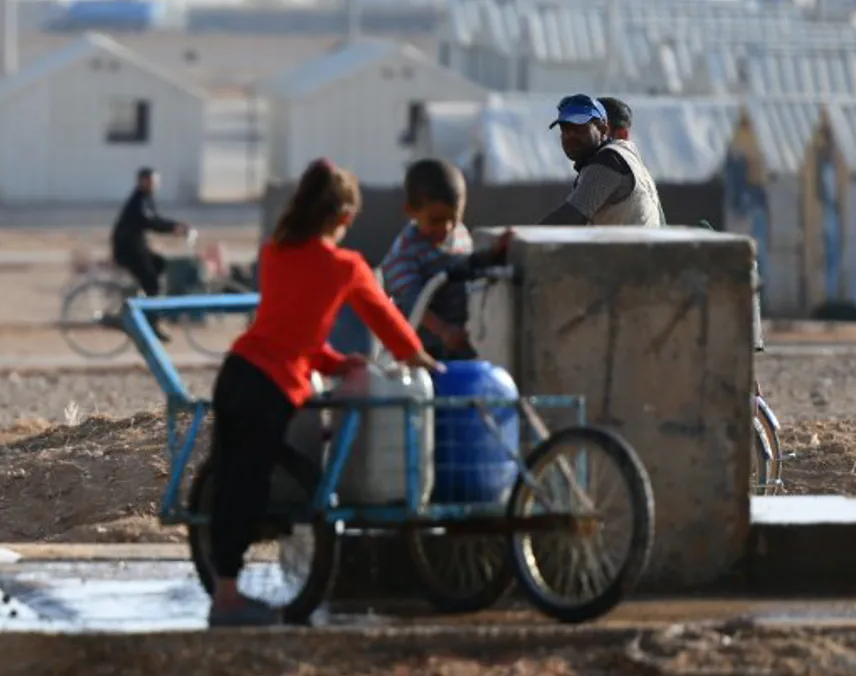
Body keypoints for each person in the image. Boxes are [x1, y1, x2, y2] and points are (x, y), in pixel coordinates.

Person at [205, 159, 438, 627]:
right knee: (248, 486)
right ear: (344, 217)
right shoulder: (345, 266)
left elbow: (291, 330)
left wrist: (333, 362)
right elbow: (386, 323)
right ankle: (227, 601)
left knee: (231, 481)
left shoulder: (275, 252)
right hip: (268, 386)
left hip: (236, 373)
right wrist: (421, 359)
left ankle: (224, 589)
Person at [328, 159, 514, 361]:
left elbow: (465, 264)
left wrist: (492, 254)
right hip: (422, 349)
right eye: (436, 220)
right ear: (410, 211)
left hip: (459, 340)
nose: (446, 227)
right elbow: (414, 303)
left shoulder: (457, 235)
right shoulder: (405, 255)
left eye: (454, 218)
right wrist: (444, 331)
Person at [537, 94, 662, 227]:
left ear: (603, 130)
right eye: (565, 129)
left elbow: (570, 217)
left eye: (579, 128)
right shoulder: (629, 156)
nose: (570, 136)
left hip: (631, 247)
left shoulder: (609, 160)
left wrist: (522, 238)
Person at [111, 167, 190, 340]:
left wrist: (175, 226)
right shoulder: (138, 201)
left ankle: (143, 303)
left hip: (136, 247)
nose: (155, 184)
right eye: (151, 181)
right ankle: (152, 321)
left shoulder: (146, 199)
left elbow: (155, 219)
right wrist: (173, 227)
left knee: (160, 264)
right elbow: (150, 221)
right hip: (127, 250)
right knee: (151, 280)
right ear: (143, 181)